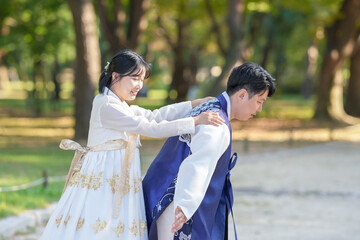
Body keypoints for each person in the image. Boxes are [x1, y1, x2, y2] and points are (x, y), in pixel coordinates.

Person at [41, 49, 224, 240]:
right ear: (115, 76)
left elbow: (155, 115)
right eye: (135, 78)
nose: (139, 85)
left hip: (118, 176)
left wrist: (193, 104)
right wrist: (194, 121)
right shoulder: (107, 106)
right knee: (98, 224)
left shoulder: (118, 104)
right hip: (104, 178)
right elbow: (150, 127)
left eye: (142, 79)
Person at [142, 62, 276, 240]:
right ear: (242, 95)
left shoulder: (209, 107)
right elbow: (198, 165)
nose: (259, 109)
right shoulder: (216, 124)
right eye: (259, 102)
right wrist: (185, 205)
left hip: (163, 193)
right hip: (176, 205)